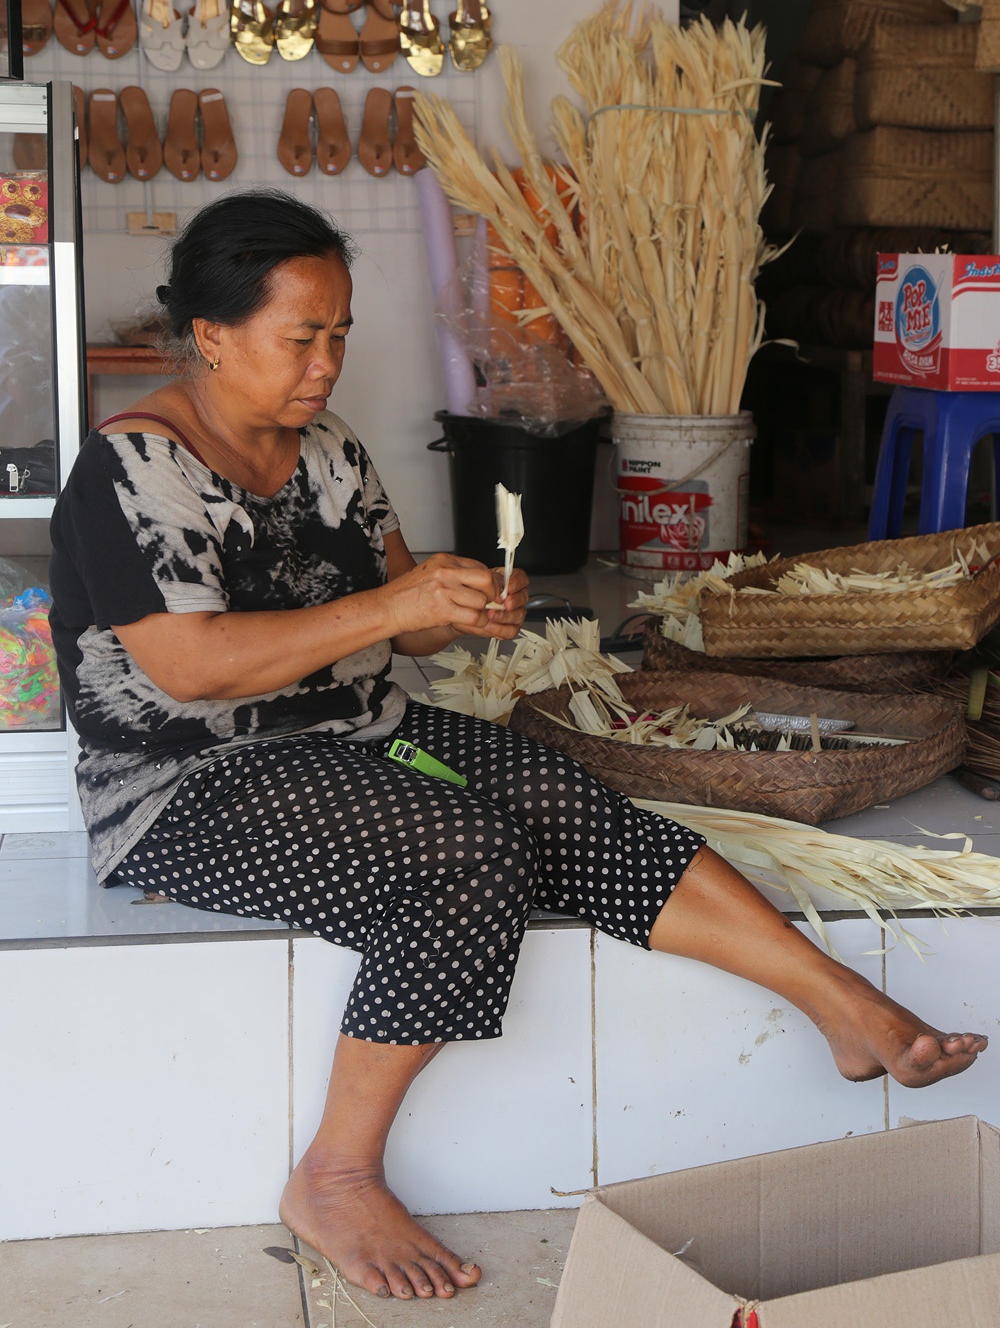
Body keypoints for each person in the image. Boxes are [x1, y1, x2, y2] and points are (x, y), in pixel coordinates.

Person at [49, 191, 987, 1305]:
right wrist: (393, 603)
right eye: (301, 337)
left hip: (361, 730)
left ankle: (839, 1001)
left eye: (339, 334)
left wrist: (461, 605)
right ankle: (335, 1176)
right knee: (466, 854)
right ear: (210, 334)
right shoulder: (132, 470)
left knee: (565, 794)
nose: (326, 363)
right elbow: (190, 668)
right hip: (189, 780)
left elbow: (400, 615)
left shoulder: (329, 451)